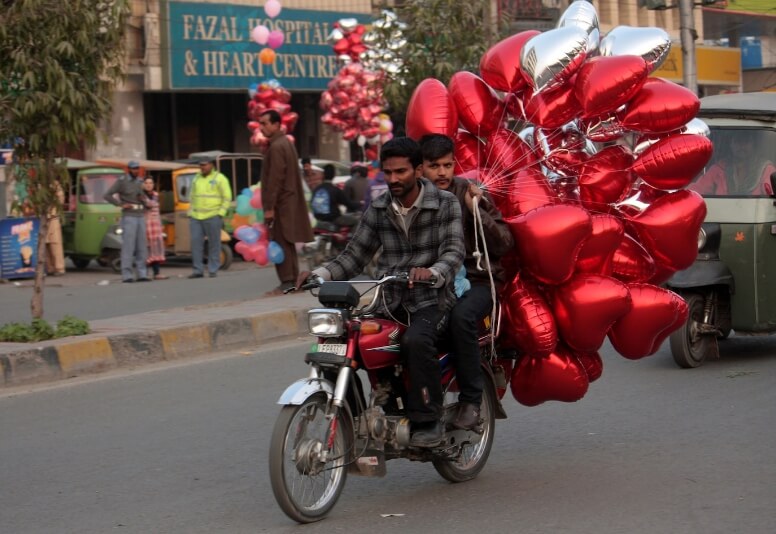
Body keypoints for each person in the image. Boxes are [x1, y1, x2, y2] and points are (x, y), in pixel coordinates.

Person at [296, 137, 465, 447]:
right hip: (388, 302)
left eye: (401, 172)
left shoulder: (445, 203)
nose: (393, 179)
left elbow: (454, 251)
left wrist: (433, 272)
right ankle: (358, 419)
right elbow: (354, 255)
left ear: (418, 171)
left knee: (416, 341)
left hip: (432, 300)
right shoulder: (379, 207)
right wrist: (319, 275)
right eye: (388, 172)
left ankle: (428, 421)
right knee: (342, 342)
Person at [419, 134, 515, 430]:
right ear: (420, 168)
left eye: (447, 165)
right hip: (431, 285)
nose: (442, 172)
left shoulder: (469, 192)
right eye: (434, 166)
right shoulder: (412, 197)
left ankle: (471, 401)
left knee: (461, 317)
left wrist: (476, 211)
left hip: (478, 281)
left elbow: (504, 243)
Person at [259, 109, 314, 295]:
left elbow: (275, 179)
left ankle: (287, 282)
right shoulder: (285, 143)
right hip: (287, 202)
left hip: (281, 204)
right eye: (260, 124)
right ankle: (293, 283)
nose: (261, 127)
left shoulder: (277, 146)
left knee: (282, 241)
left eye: (265, 123)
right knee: (287, 242)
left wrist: (269, 207)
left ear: (276, 124)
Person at [104, 160, 150, 283]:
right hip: (129, 216)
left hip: (140, 215)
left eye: (137, 168)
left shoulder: (140, 181)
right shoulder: (122, 181)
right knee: (128, 246)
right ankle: (127, 275)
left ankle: (142, 273)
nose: (136, 171)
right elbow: (107, 195)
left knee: (142, 246)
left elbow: (143, 197)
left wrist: (145, 201)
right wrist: (120, 204)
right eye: (134, 168)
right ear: (128, 169)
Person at [187, 156, 232, 279]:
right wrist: (190, 212)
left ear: (211, 165)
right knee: (196, 244)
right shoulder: (196, 178)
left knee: (214, 244)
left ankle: (213, 269)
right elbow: (192, 196)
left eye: (205, 165)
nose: (202, 167)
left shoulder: (220, 178)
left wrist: (220, 213)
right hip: (196, 217)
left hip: (213, 216)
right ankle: (198, 270)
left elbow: (227, 197)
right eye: (201, 165)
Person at [142, 176, 167, 280]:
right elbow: (148, 205)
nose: (149, 185)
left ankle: (157, 273)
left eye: (151, 183)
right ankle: (144, 273)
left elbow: (157, 210)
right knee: (146, 248)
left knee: (156, 248)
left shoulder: (156, 195)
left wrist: (161, 224)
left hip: (155, 224)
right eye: (146, 183)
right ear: (143, 184)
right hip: (145, 224)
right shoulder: (141, 196)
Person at [45, 179, 66, 276]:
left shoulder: (55, 184)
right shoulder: (38, 184)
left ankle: (59, 268)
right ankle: (50, 268)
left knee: (55, 243)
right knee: (45, 244)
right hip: (42, 218)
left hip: (53, 217)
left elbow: (60, 200)